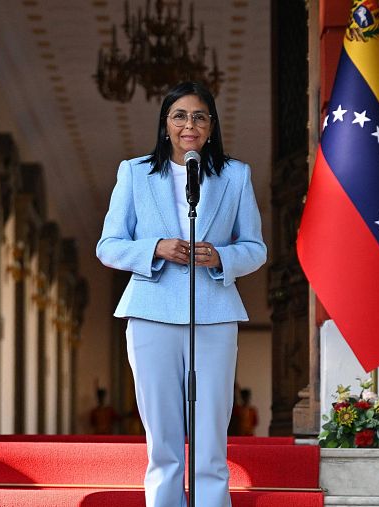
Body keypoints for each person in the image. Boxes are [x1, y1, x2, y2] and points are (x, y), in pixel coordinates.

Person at [96, 81, 266, 507]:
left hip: (213, 314)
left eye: (199, 116)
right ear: (165, 124)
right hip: (151, 313)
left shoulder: (236, 175)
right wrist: (154, 248)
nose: (189, 124)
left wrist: (221, 257)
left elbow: (256, 249)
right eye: (179, 116)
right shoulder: (134, 172)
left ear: (211, 126)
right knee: (163, 440)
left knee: (211, 438)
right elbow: (108, 246)